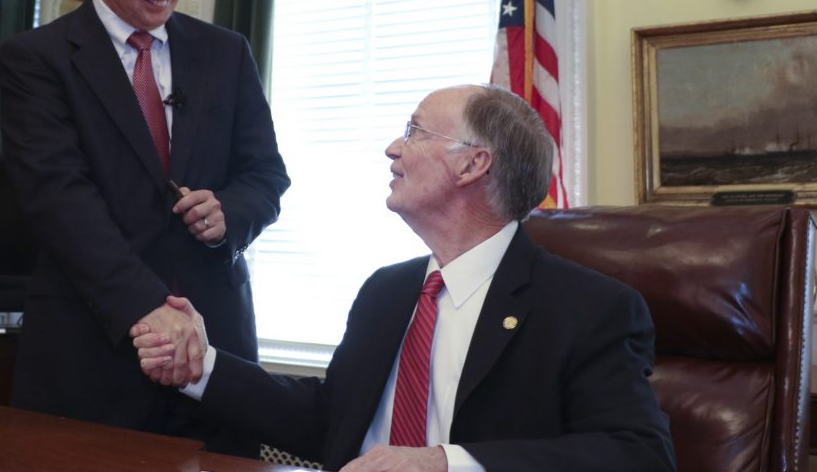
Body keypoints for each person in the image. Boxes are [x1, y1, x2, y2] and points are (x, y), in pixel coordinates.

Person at [132, 84, 676, 471]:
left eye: (414, 131)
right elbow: (329, 421)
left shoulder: (588, 307)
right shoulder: (387, 291)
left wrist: (443, 463)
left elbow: (639, 454)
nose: (393, 148)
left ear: (472, 165)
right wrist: (202, 366)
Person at [0, 0, 289, 457]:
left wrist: (228, 214)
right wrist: (149, 309)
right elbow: (59, 200)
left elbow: (265, 175)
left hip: (215, 353)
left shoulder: (226, 53)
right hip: (92, 352)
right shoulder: (36, 59)